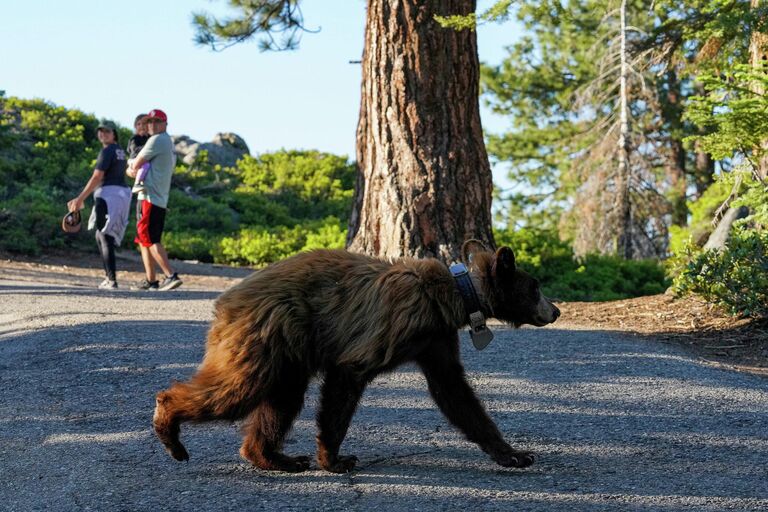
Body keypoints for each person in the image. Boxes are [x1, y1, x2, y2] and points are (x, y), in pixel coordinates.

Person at [67, 120, 132, 289]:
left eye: (107, 131)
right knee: (102, 235)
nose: (103, 134)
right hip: (123, 193)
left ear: (114, 134)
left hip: (109, 193)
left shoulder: (107, 150)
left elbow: (97, 177)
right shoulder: (120, 151)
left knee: (104, 235)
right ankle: (109, 278)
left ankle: (111, 280)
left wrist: (80, 199)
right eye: (100, 131)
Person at [127, 108, 183, 291]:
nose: (152, 125)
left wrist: (129, 168)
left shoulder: (157, 140)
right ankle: (151, 280)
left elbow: (135, 165)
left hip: (150, 196)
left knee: (150, 239)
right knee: (144, 239)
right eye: (150, 122)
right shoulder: (167, 142)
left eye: (156, 121)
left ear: (165, 124)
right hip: (156, 197)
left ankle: (170, 275)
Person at [126, 113, 151, 194]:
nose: (141, 126)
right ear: (135, 127)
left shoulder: (150, 138)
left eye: (144, 124)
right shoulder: (135, 138)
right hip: (135, 159)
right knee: (145, 166)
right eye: (138, 124)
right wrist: (146, 148)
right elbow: (133, 150)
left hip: (142, 160)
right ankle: (137, 184)